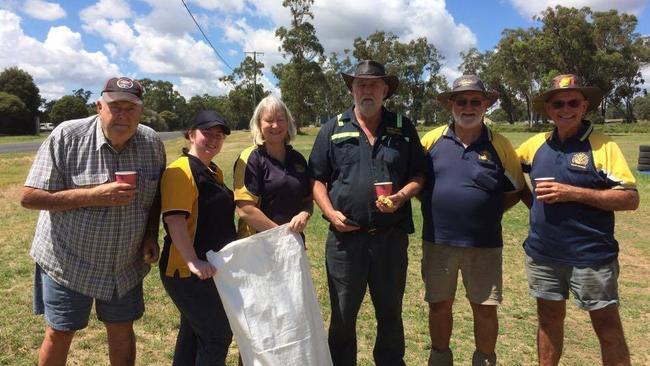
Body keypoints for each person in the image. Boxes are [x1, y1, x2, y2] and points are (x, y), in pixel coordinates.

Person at [20, 76, 166, 365]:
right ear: (100, 106)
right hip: (69, 261)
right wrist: (93, 195)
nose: (123, 114)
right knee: (60, 331)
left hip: (124, 265)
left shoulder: (151, 143)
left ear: (141, 111)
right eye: (115, 107)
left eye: (131, 108)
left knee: (122, 330)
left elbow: (156, 196)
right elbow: (29, 197)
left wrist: (151, 234)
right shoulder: (67, 136)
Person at [308, 60, 427, 366]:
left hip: (390, 241)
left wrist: (402, 195)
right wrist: (331, 214)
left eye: (374, 84)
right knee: (343, 315)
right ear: (352, 89)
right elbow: (316, 179)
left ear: (385, 90)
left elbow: (419, 174)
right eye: (361, 84)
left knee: (390, 313)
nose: (367, 90)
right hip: (345, 243)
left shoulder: (402, 126)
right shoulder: (333, 128)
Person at [517, 74, 639, 366]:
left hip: (591, 255)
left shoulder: (603, 146)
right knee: (548, 320)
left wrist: (571, 192)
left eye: (573, 102)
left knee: (607, 327)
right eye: (558, 103)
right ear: (548, 109)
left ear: (585, 106)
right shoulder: (535, 144)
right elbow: (507, 171)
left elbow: (630, 198)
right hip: (543, 254)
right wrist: (529, 200)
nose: (566, 109)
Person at [419, 75, 524, 366]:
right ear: (451, 104)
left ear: (486, 105)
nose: (468, 107)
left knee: (485, 308)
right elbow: (418, 183)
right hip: (438, 241)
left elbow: (515, 190)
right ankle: (440, 359)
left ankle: (485, 360)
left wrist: (486, 213)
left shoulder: (500, 144)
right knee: (439, 305)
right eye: (461, 101)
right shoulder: (430, 141)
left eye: (475, 101)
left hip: (485, 244)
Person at [159, 110, 237, 366]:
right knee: (217, 334)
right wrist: (192, 261)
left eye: (219, 135)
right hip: (187, 272)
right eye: (207, 133)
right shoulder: (180, 170)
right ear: (191, 134)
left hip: (209, 268)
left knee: (194, 333)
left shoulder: (212, 170)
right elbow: (175, 220)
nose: (214, 139)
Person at [234, 95, 312, 238]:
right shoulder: (251, 157)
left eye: (280, 120)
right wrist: (283, 236)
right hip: (257, 245)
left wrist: (304, 214)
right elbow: (245, 209)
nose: (275, 125)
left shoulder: (298, 159)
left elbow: (307, 201)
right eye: (269, 120)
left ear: (288, 123)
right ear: (259, 123)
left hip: (291, 244)